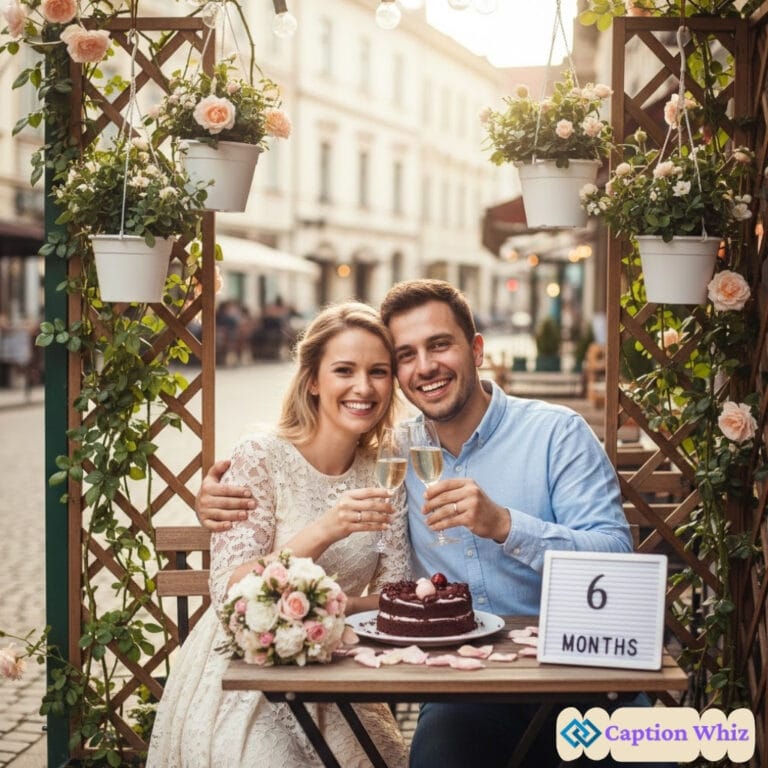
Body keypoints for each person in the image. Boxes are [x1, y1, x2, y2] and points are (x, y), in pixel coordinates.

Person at [196, 280, 638, 768]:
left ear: (477, 349)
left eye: (440, 345)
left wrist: (506, 525)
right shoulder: (394, 456)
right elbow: (306, 460)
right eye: (406, 355)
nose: (425, 366)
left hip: (579, 675)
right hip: (461, 691)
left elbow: (616, 559)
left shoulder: (557, 433)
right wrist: (218, 498)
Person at [147, 301, 410, 768]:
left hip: (338, 667)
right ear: (312, 379)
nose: (363, 388)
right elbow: (228, 592)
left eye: (379, 372)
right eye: (344, 370)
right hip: (246, 670)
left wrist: (332, 610)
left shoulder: (388, 470)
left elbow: (395, 596)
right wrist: (324, 530)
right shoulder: (260, 456)